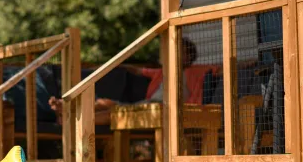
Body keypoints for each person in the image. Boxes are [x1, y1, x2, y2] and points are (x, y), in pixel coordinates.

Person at [49, 38, 214, 125]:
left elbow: (223, 67)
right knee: (104, 102)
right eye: (174, 49)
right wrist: (116, 64)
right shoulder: (162, 71)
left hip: (166, 111)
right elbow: (137, 70)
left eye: (181, 51)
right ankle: (67, 108)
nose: (174, 53)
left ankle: (72, 119)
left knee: (113, 114)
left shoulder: (196, 71)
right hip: (149, 106)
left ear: (189, 57)